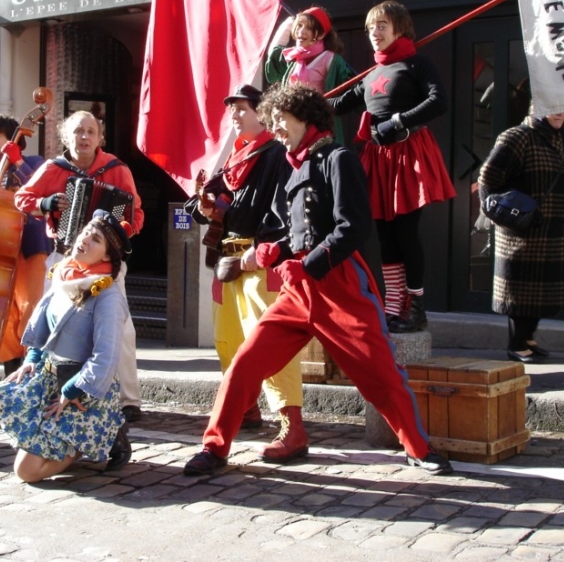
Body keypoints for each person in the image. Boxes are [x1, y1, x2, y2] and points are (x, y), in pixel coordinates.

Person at [183, 83, 451, 477]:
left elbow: (353, 228)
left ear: (305, 117)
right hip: (297, 290)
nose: (275, 127)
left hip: (340, 286)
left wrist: (308, 264)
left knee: (380, 375)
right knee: (245, 364)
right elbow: (294, 235)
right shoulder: (292, 169)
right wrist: (273, 252)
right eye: (271, 120)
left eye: (280, 119)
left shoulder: (337, 158)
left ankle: (417, 447)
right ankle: (215, 447)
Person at [184, 84, 308, 462]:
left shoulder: (276, 155)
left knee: (269, 348)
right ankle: (246, 409)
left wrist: (227, 213)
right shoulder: (234, 160)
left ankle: (293, 425)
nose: (235, 116)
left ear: (261, 113)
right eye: (232, 109)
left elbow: (279, 213)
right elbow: (198, 205)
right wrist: (206, 207)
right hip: (226, 261)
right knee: (227, 344)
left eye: (242, 109)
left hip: (259, 260)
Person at [0, 209, 134, 483]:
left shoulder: (108, 296)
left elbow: (105, 358)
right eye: (86, 231)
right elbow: (43, 330)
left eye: (96, 239)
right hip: (48, 376)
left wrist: (71, 390)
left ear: (107, 256)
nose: (85, 238)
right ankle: (64, 440)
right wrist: (32, 360)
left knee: (26, 473)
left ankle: (103, 433)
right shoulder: (65, 275)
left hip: (81, 390)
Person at [330, 0, 456, 333]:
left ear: (400, 28)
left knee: (406, 233)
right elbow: (339, 104)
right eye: (371, 27)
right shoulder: (372, 74)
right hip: (379, 158)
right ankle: (393, 304)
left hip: (408, 153)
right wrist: (299, 99)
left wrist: (399, 121)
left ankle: (415, 307)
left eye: (382, 26)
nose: (374, 33)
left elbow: (438, 100)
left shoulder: (417, 64)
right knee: (385, 237)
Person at [16, 111, 145, 422]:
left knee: (120, 330)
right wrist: (44, 205)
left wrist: (115, 234)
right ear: (66, 137)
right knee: (54, 324)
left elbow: (136, 216)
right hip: (64, 258)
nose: (84, 137)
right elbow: (22, 198)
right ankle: (49, 387)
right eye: (78, 131)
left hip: (104, 264)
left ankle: (128, 400)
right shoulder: (53, 169)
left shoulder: (117, 170)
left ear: (100, 138)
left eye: (90, 132)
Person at [478, 109, 564, 363]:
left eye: (563, 109)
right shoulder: (518, 136)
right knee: (521, 293)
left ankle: (528, 339)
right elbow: (488, 179)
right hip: (522, 232)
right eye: (551, 108)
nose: (558, 114)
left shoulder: (551, 138)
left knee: (540, 292)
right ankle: (517, 343)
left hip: (548, 232)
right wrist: (501, 215)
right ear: (535, 108)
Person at [0, 114, 52, 376]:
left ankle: (32, 366)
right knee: (1, 311)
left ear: (11, 138)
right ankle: (10, 368)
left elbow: (44, 191)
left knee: (30, 306)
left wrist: (17, 161)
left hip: (29, 245)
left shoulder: (34, 163)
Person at [265, 6, 355, 142]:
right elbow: (273, 57)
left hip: (318, 130)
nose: (301, 31)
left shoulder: (330, 59)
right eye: (299, 25)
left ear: (321, 34)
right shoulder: (293, 58)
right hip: (291, 127)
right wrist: (287, 25)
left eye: (308, 27)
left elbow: (351, 92)